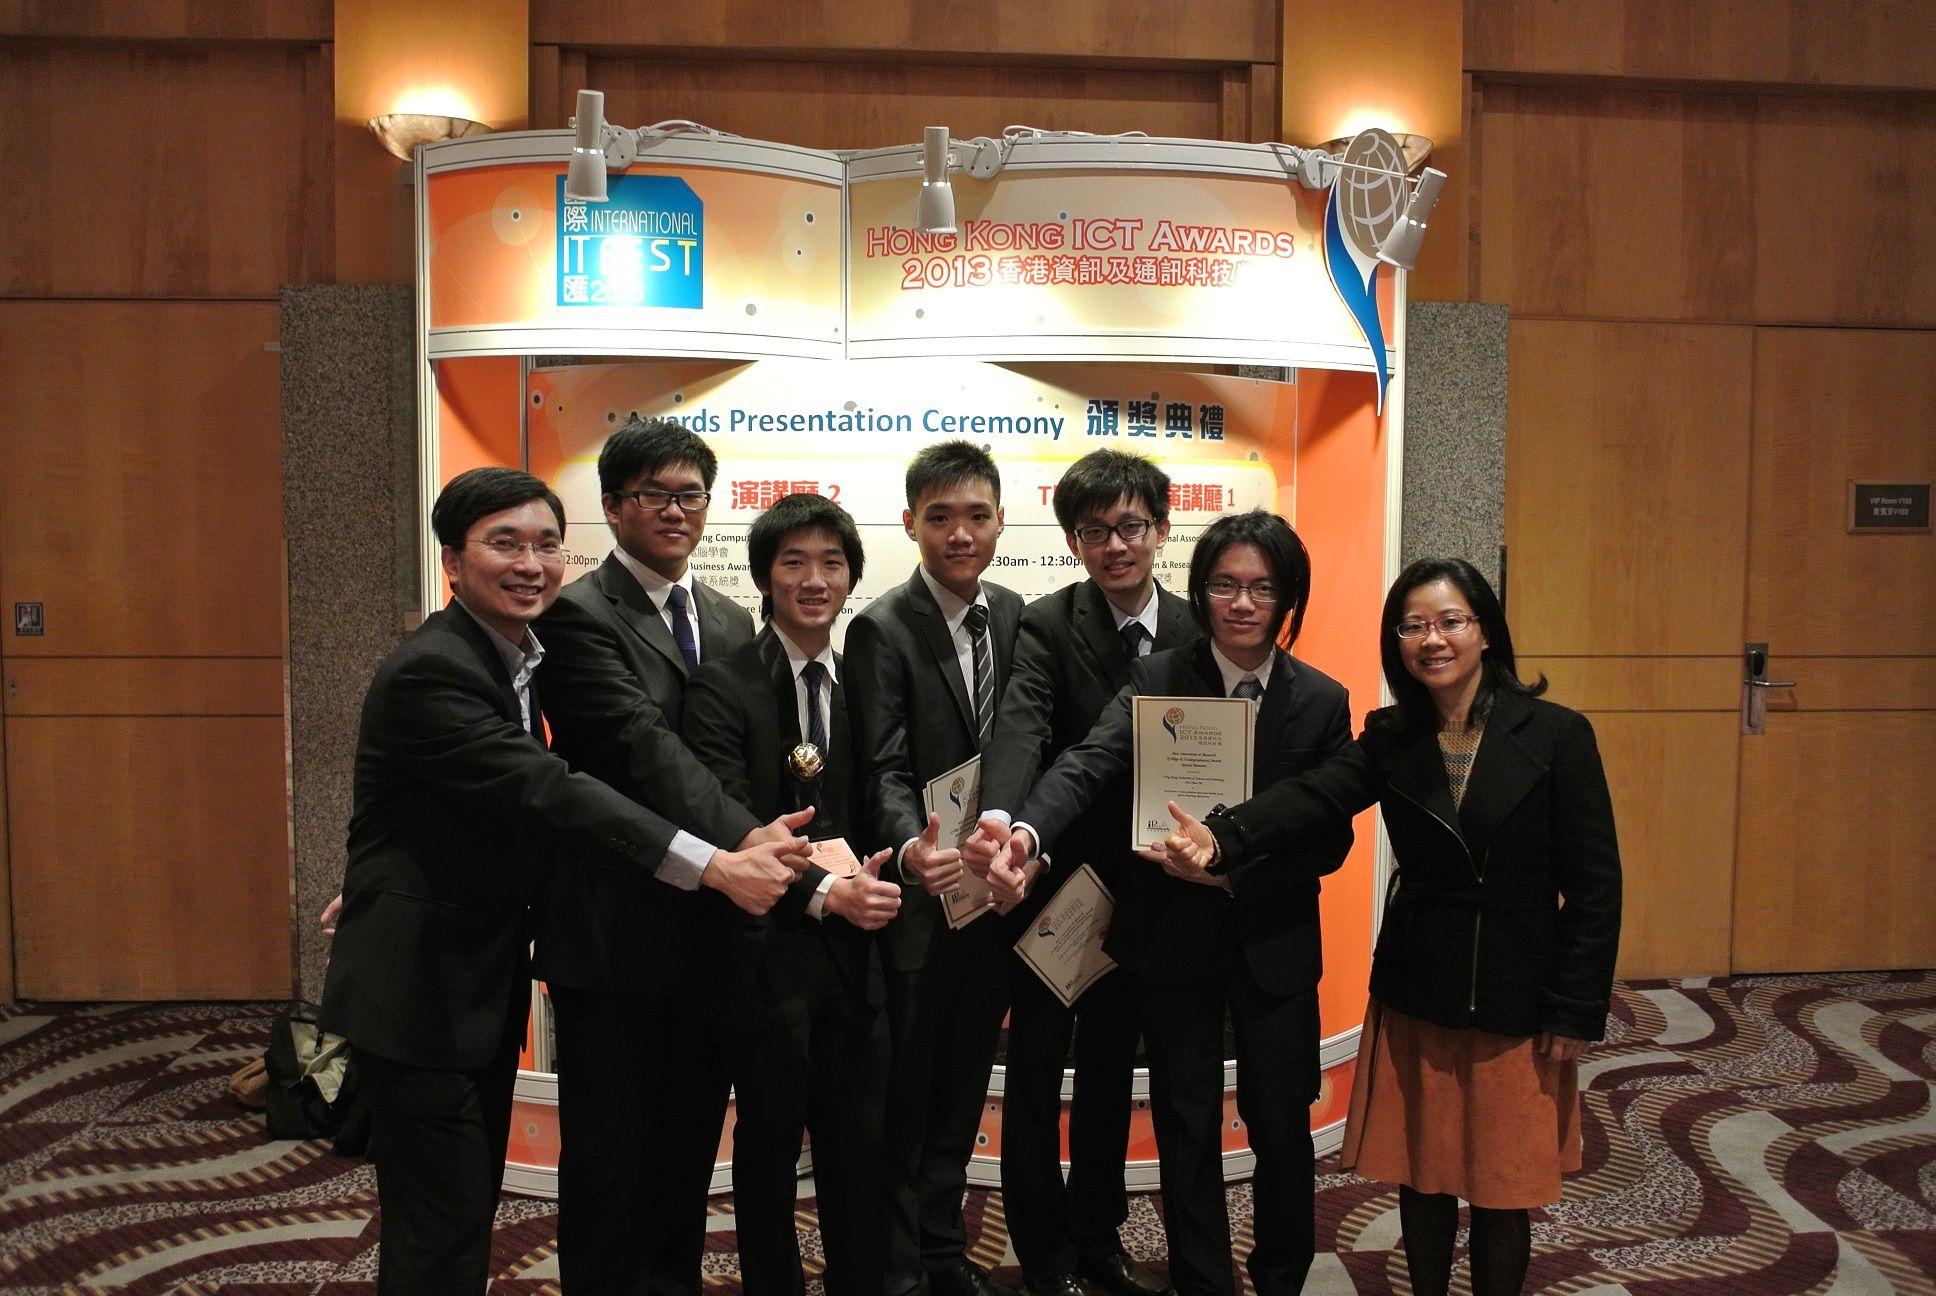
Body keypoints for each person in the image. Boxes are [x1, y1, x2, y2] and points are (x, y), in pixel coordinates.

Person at [319, 467, 807, 1296]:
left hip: (459, 973)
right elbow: (551, 791)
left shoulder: (508, 654)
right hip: (421, 991)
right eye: (504, 544)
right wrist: (717, 861)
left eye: (546, 543)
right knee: (442, 1223)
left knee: (454, 1214)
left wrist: (375, 874)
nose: (532, 563)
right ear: (451, 559)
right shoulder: (435, 668)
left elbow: (467, 807)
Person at [1149, 557, 1622, 1296]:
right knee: (1424, 1174)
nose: (1431, 640)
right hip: (1419, 987)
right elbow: (1312, 795)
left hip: (1516, 996)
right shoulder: (1393, 735)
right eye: (1412, 626)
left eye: (1449, 622)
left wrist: (1576, 1007)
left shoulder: (1558, 734)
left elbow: (1596, 887)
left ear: (1486, 631)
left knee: (1503, 1187)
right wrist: (1221, 838)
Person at [982, 510, 1353, 1296]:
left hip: (1273, 942)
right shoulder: (1156, 681)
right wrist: (1026, 833)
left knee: (1282, 1125)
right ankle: (1202, 1281)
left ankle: (1282, 1276)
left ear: (1288, 597)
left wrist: (1231, 873)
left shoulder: (1321, 701)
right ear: (1201, 589)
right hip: (1174, 942)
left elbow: (1330, 843)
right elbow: (1085, 763)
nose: (1242, 603)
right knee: (1187, 1123)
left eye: (1262, 587)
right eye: (1225, 584)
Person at [533, 417, 810, 1295]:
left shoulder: (730, 616)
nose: (676, 511)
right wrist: (747, 838)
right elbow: (643, 749)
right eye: (655, 494)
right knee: (611, 1159)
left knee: (688, 1152)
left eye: (691, 494)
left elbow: (742, 749)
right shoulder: (576, 617)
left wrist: (776, 838)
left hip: (713, 933)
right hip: (616, 935)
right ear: (612, 509)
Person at [970, 449, 1194, 1296]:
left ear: (1162, 530)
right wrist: (1006, 822)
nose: (1114, 546)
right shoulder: (1048, 621)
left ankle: (1098, 1237)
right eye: (1094, 531)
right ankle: (1044, 1253)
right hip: (1052, 880)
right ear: (1072, 539)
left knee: (1109, 1071)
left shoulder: (1195, 629)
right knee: (1032, 1070)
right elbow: (1023, 728)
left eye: (1131, 526)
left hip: (1152, 888)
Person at [684, 492, 903, 1295]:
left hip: (857, 955)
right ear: (765, 578)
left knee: (858, 1146)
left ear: (850, 579)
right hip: (764, 957)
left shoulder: (862, 681)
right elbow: (729, 818)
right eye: (794, 563)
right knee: (770, 1150)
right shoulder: (722, 684)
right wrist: (822, 892)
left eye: (832, 563)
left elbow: (882, 791)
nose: (815, 580)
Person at [843, 440, 1025, 1296]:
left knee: (963, 1086)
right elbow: (878, 766)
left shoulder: (1018, 615)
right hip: (924, 899)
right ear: (910, 521)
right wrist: (912, 850)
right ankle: (901, 1266)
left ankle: (945, 1252)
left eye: (977, 515)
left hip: (994, 894)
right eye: (941, 517)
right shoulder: (882, 625)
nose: (961, 533)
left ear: (999, 521)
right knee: (907, 1092)